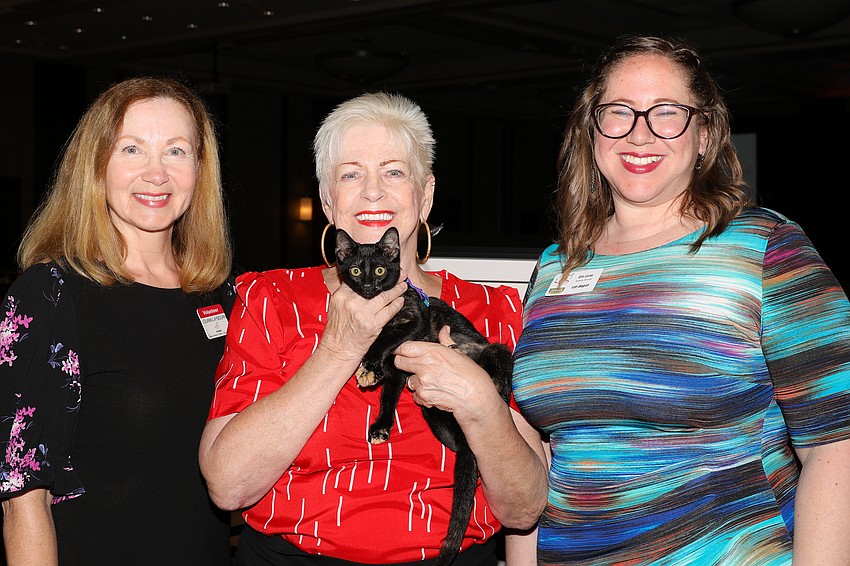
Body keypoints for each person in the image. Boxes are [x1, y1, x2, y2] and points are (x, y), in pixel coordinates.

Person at [512, 34, 850, 564]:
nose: (640, 133)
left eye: (666, 112)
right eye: (618, 112)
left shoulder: (764, 247)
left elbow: (836, 446)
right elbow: (541, 461)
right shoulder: (557, 265)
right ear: (591, 129)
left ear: (705, 132)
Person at [199, 91, 548, 565]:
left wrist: (480, 403)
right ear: (327, 200)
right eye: (350, 174)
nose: (372, 191)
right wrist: (338, 351)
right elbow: (228, 485)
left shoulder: (490, 310)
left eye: (393, 171)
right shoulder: (273, 300)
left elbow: (524, 508)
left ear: (424, 195)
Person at [0, 76, 235, 565]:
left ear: (199, 168)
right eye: (131, 149)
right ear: (96, 166)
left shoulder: (224, 297)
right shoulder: (50, 294)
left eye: (176, 151)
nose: (156, 174)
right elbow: (24, 499)